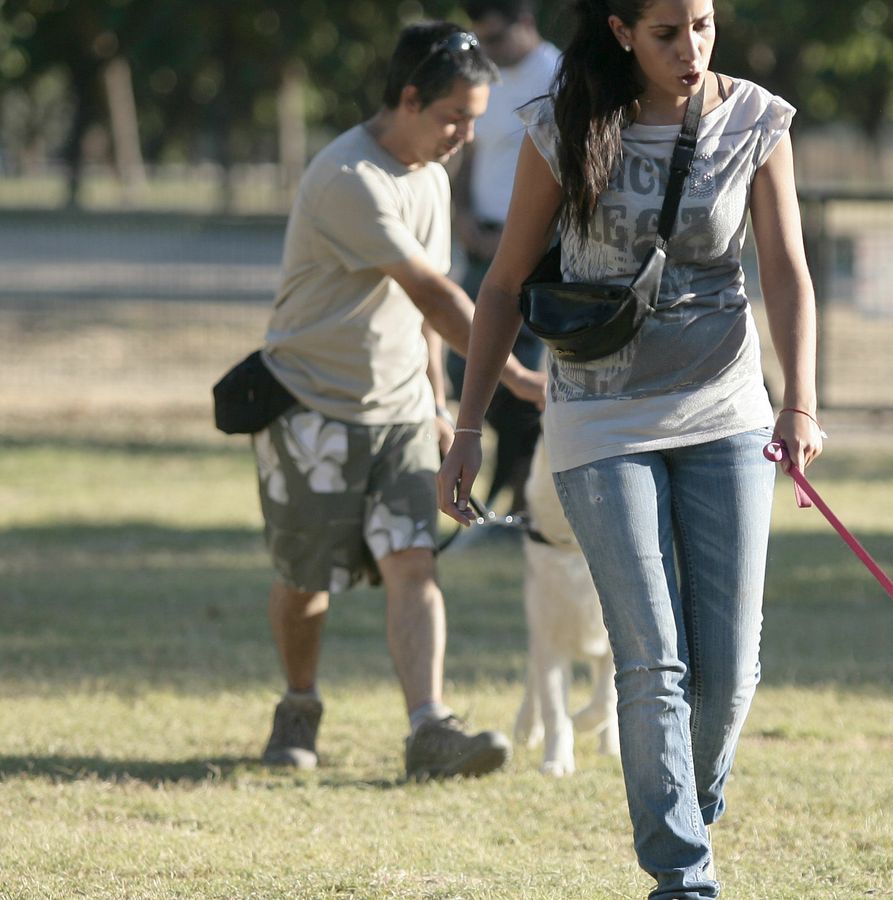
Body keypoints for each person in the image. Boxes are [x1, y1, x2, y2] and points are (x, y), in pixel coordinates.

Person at [437, 0, 821, 895]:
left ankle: (685, 806)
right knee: (651, 659)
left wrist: (799, 401)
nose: (692, 49)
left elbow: (784, 268)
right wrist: (469, 427)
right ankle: (682, 876)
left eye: (703, 25)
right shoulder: (564, 125)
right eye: (666, 33)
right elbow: (503, 284)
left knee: (730, 670)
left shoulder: (755, 119)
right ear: (620, 32)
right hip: (598, 415)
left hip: (724, 410)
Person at [254, 22, 546, 780]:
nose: (466, 136)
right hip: (312, 404)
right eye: (455, 118)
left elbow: (423, 317)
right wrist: (518, 379)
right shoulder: (349, 176)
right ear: (409, 99)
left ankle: (429, 728)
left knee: (414, 560)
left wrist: (440, 406)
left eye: (474, 120)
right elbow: (435, 294)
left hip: (400, 410)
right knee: (306, 578)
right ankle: (299, 705)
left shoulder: (430, 176)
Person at [447, 0, 563, 526]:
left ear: (526, 23)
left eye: (494, 39)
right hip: (482, 247)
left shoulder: (558, 76)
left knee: (526, 377)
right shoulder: (486, 79)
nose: (486, 51)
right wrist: (462, 215)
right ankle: (510, 488)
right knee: (466, 366)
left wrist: (522, 240)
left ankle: (521, 499)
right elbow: (472, 152)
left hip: (535, 253)